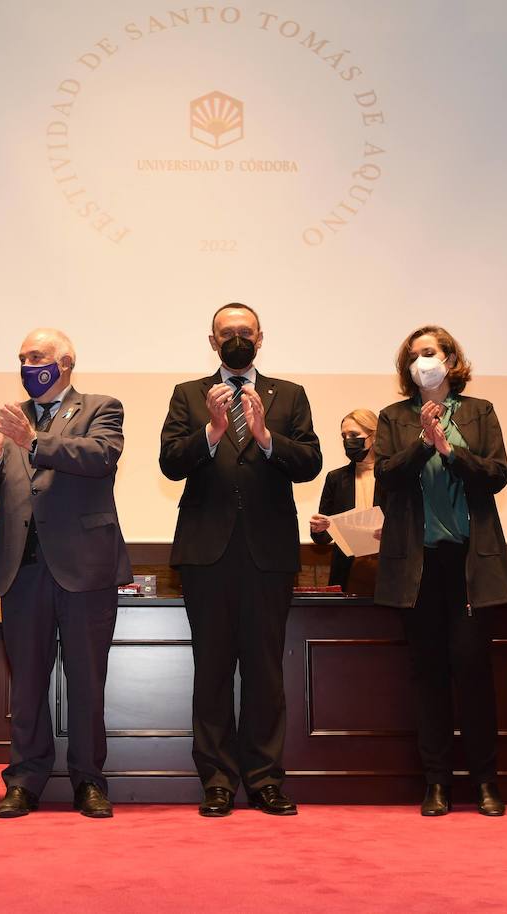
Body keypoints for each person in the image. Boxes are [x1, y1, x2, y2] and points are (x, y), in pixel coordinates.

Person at [159, 302, 322, 817]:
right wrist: (210, 430)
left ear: (260, 337)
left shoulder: (289, 395)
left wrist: (266, 437)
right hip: (206, 554)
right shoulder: (188, 394)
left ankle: (266, 778)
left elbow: (310, 462)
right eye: (225, 333)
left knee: (264, 672)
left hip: (268, 553)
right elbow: (169, 463)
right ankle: (216, 780)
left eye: (244, 331)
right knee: (211, 670)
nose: (235, 339)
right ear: (212, 341)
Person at [0, 328, 130, 820]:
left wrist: (33, 440)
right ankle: (24, 781)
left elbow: (101, 457)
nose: (26, 364)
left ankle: (89, 782)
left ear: (65, 362)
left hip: (85, 568)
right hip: (24, 568)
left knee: (86, 682)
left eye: (35, 356)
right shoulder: (7, 419)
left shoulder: (102, 406)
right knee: (28, 684)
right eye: (21, 357)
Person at [372, 327, 507, 817]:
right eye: (413, 357)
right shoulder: (393, 417)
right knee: (427, 675)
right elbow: (387, 476)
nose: (422, 363)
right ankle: (436, 783)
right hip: (417, 565)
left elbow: (497, 475)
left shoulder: (479, 412)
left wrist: (451, 449)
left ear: (451, 359)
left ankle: (485, 782)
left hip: (470, 564)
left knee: (473, 671)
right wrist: (423, 442)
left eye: (430, 353)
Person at [309, 408, 379, 594]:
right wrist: (318, 528)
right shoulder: (336, 478)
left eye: (354, 434)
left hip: (387, 569)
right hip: (347, 571)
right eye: (344, 436)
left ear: (374, 435)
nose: (348, 441)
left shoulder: (393, 474)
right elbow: (322, 538)